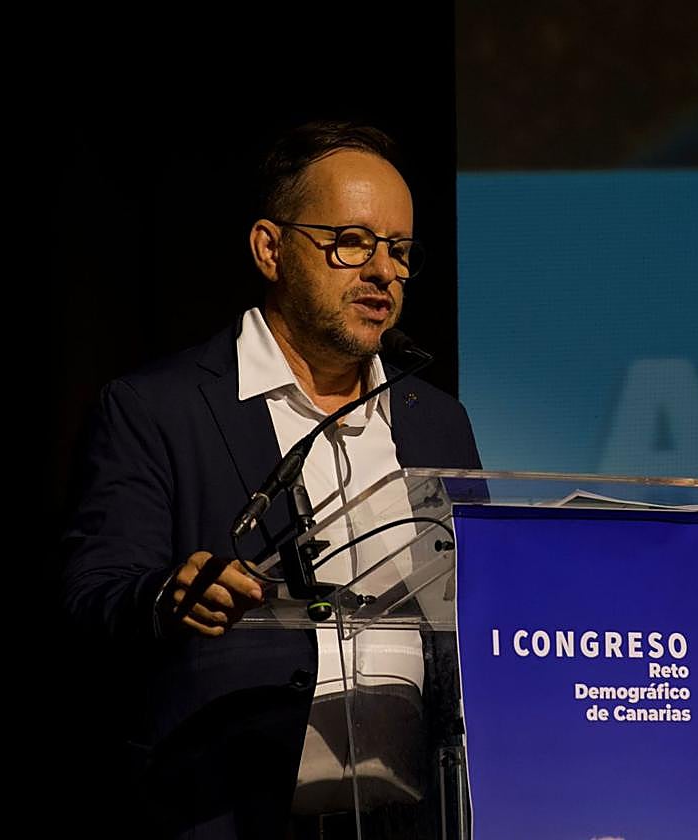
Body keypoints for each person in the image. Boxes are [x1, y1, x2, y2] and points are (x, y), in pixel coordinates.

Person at [59, 119, 482, 839]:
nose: (383, 271)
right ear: (270, 249)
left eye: (400, 250)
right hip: (231, 810)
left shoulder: (437, 421)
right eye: (352, 242)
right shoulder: (159, 408)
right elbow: (92, 595)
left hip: (410, 820)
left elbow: (474, 611)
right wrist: (167, 596)